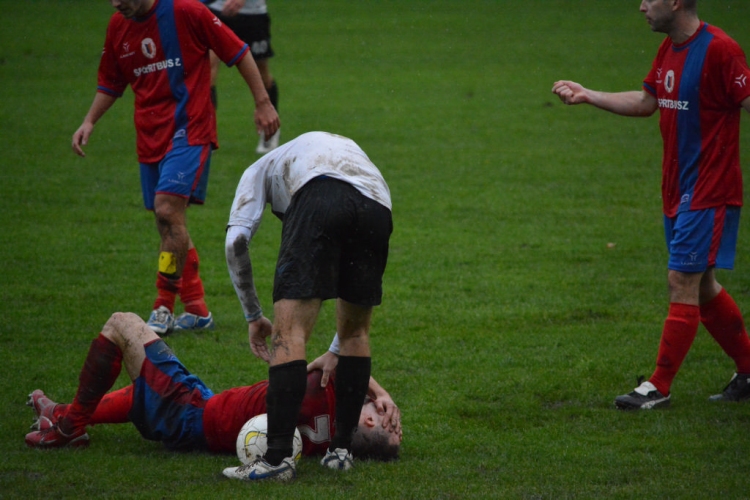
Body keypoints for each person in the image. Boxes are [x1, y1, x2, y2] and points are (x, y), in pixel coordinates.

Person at [552, 0, 750, 410]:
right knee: (704, 286)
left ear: (676, 2)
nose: (641, 6)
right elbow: (647, 103)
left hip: (708, 190)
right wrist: (590, 95)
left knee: (681, 280)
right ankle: (749, 369)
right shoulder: (670, 49)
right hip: (677, 189)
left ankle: (658, 386)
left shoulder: (721, 49)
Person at [71, 0, 280, 335]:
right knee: (169, 221)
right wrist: (89, 121)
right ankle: (197, 309)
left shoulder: (188, 11)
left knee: (167, 211)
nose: (115, 3)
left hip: (190, 131)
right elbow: (111, 82)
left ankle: (163, 305)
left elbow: (238, 52)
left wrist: (263, 102)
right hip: (150, 136)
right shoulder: (118, 26)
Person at [24, 312, 403, 470]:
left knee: (123, 325)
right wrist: (381, 394)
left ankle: (68, 426)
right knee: (145, 391)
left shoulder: (316, 389)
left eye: (384, 418)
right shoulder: (330, 434)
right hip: (204, 405)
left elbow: (341, 354)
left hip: (190, 415)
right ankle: (61, 411)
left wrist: (382, 391)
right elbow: (347, 367)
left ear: (368, 417)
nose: (380, 407)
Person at [225, 131, 393, 480]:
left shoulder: (256, 171)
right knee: (356, 332)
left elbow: (235, 242)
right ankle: (341, 451)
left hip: (320, 194)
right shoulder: (321, 150)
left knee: (289, 334)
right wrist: (336, 346)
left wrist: (254, 315)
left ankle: (276, 460)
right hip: (379, 204)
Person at [203, 0, 282, 154]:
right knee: (207, 72)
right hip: (215, 9)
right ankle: (206, 134)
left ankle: (270, 129)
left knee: (261, 73)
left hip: (252, 14)